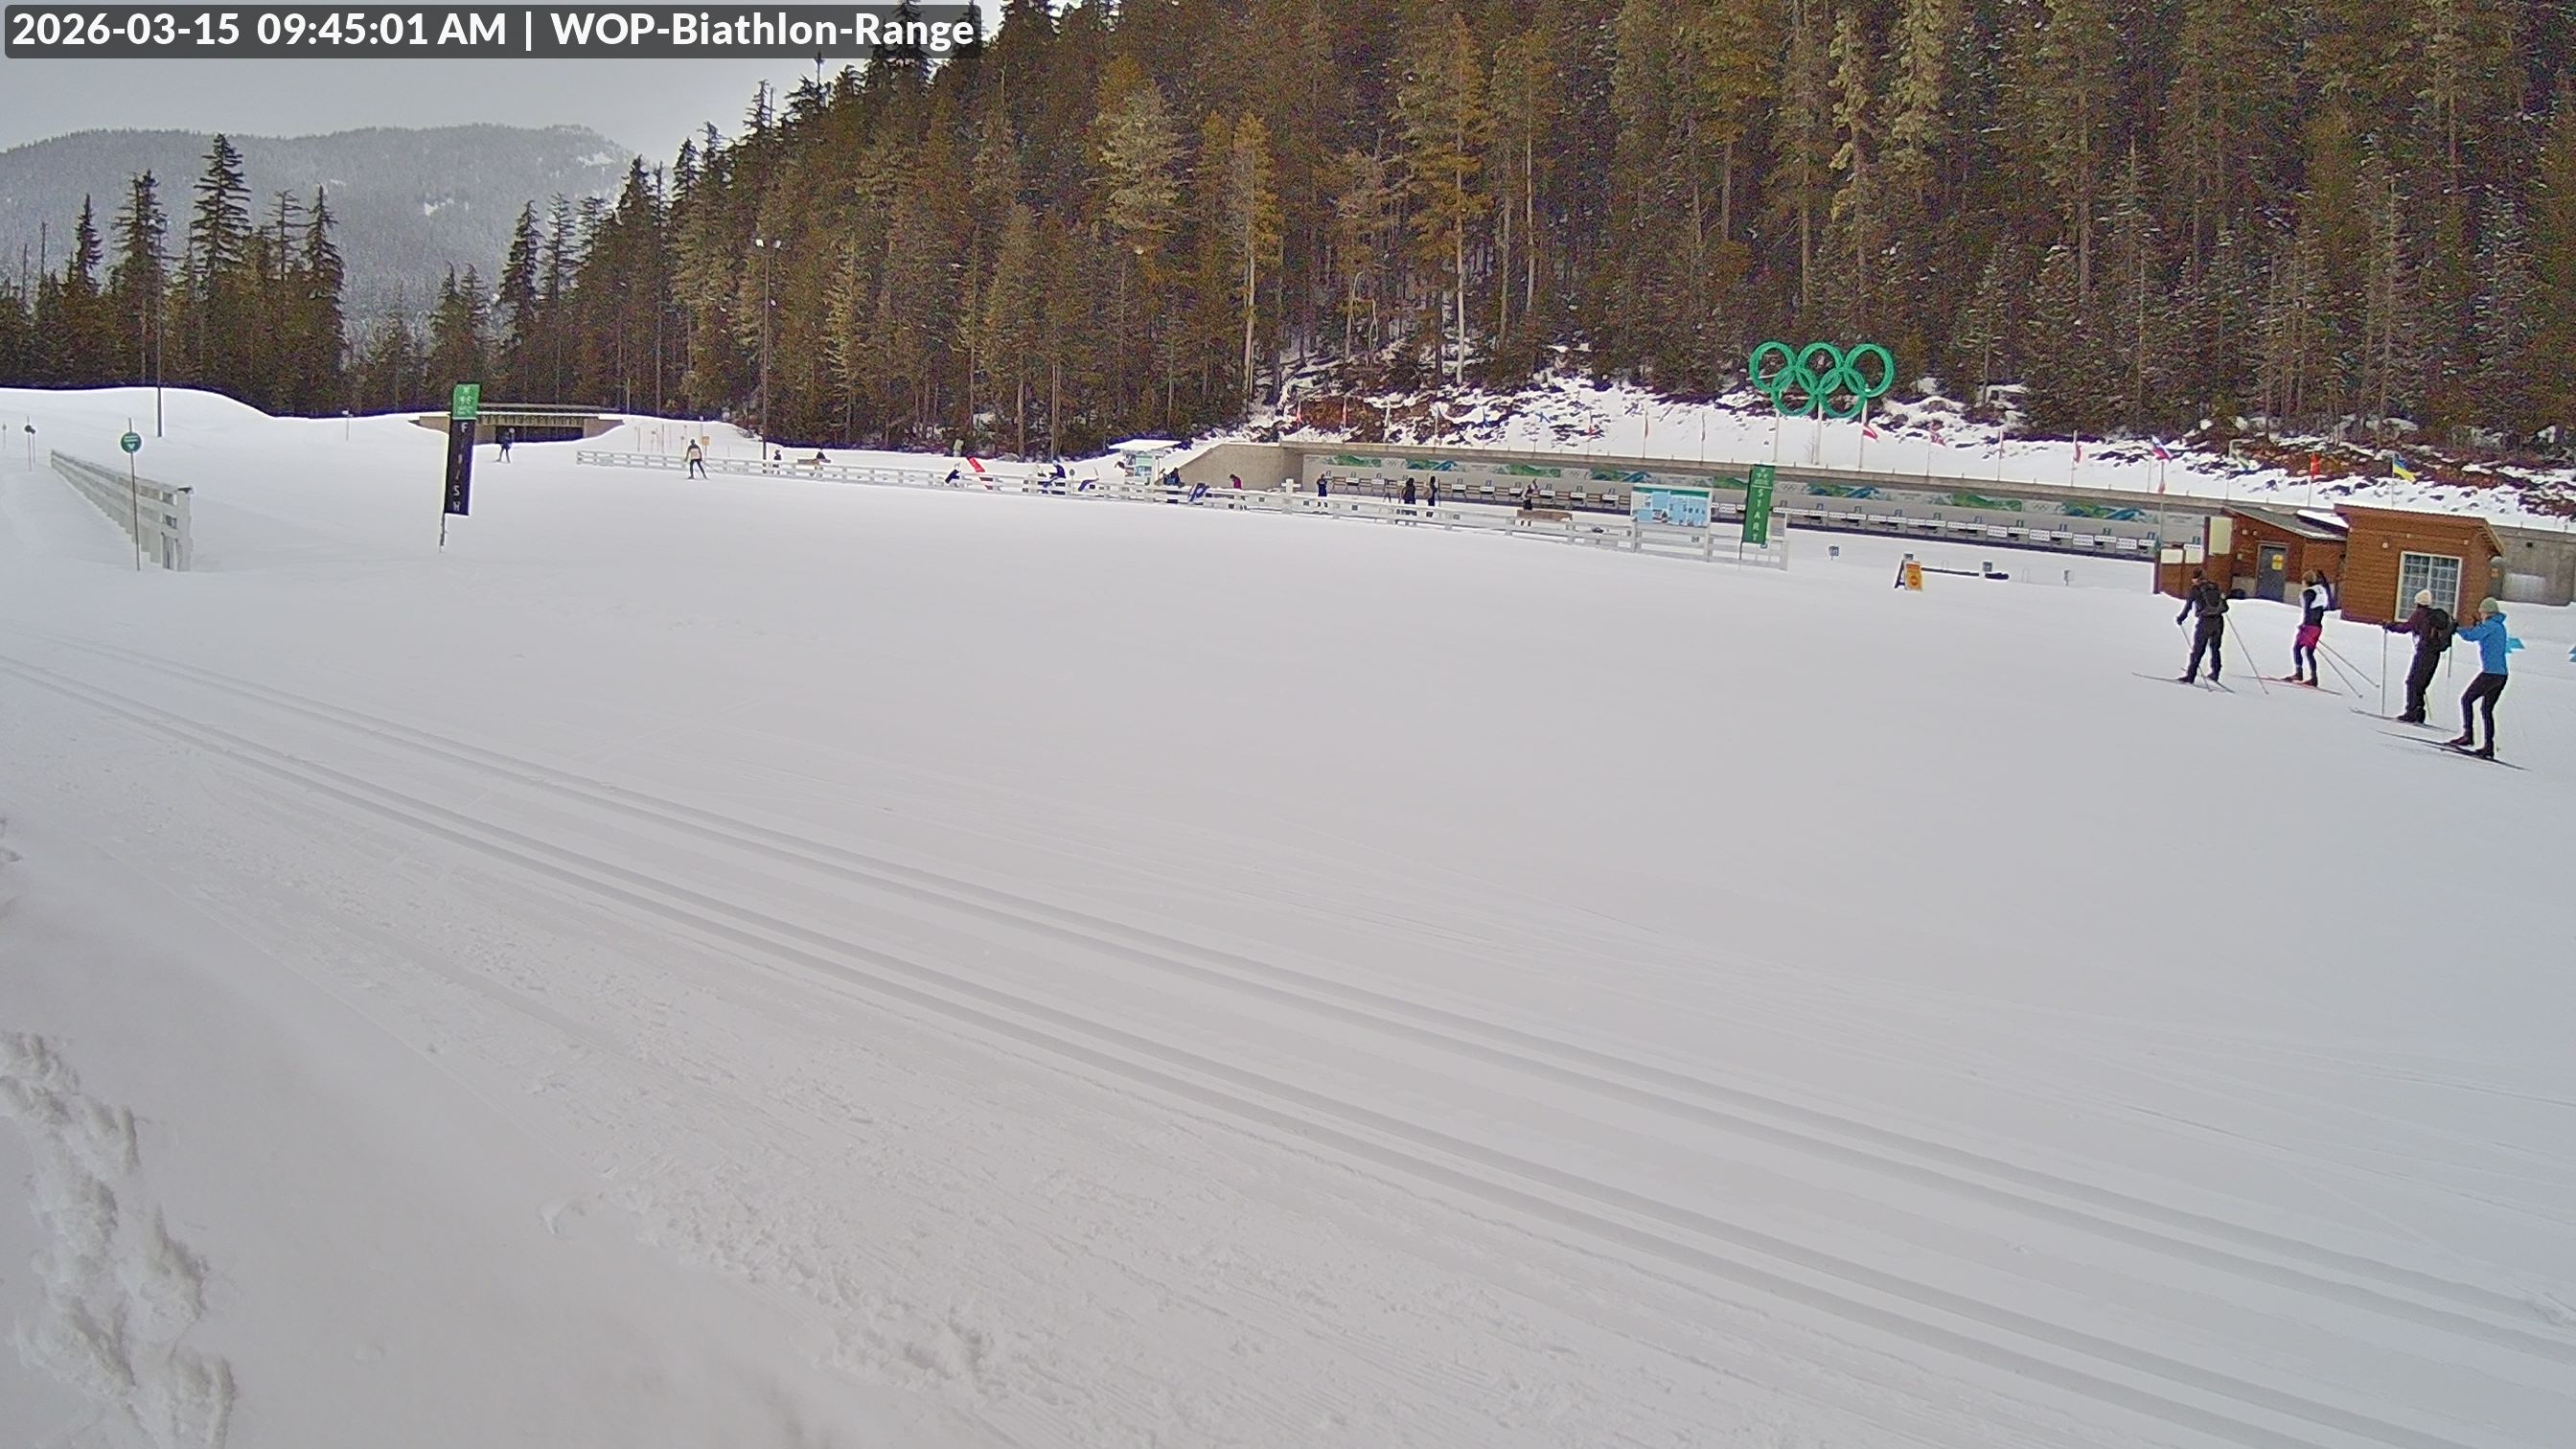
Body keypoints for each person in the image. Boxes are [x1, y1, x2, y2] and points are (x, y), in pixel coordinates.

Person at [2447, 598, 2511, 757]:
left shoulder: (2489, 625)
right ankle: (2489, 745)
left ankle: (2468, 735)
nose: (2480, 615)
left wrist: (2456, 628)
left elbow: (2471, 636)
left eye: (2481, 612)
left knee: (2467, 699)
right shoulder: (2499, 626)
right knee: (2486, 709)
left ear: (2486, 613)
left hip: (2490, 673)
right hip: (2501, 675)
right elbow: (2482, 634)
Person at [2380, 588, 2453, 724]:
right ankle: (2419, 712)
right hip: (2434, 654)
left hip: (2424, 652)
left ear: (2417, 602)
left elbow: (2405, 628)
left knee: (2412, 682)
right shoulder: (2433, 616)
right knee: (2421, 683)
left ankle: (2412, 712)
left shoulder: (2420, 614)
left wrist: (2390, 626)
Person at [2175, 569, 2229, 683]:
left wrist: (2181, 618)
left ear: (2195, 578)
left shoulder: (2196, 589)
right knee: (2215, 648)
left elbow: (2188, 606)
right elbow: (2225, 604)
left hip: (2205, 622)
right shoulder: (2215, 586)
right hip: (2219, 621)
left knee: (2198, 650)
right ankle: (2215, 672)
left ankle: (2190, 676)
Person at [2285, 570, 2333, 684]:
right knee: (2309, 652)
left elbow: (2307, 609)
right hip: (2318, 627)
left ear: (2306, 581)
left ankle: (2298, 673)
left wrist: (2304, 624)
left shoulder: (2308, 593)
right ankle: (2314, 678)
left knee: (2297, 648)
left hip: (2309, 626)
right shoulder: (2321, 591)